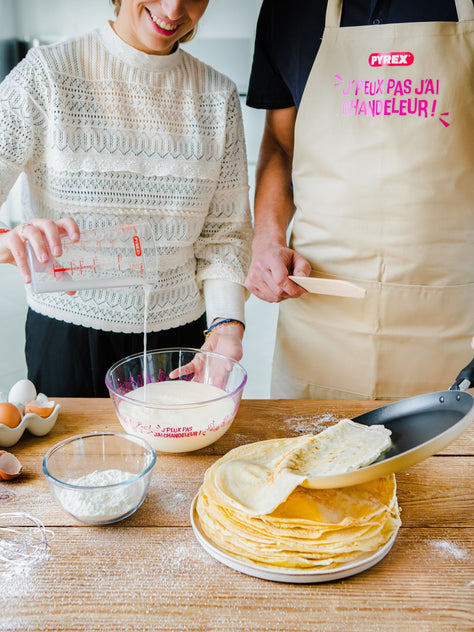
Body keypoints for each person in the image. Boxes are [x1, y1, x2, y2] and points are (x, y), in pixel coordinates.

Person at [0, 0, 252, 397]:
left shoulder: (218, 98)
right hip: (68, 336)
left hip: (182, 343)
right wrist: (4, 239)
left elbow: (225, 237)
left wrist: (226, 325)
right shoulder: (47, 74)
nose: (173, 8)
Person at [245, 0, 474, 399]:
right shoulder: (288, 10)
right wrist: (266, 240)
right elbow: (282, 146)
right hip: (321, 322)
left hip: (455, 321)